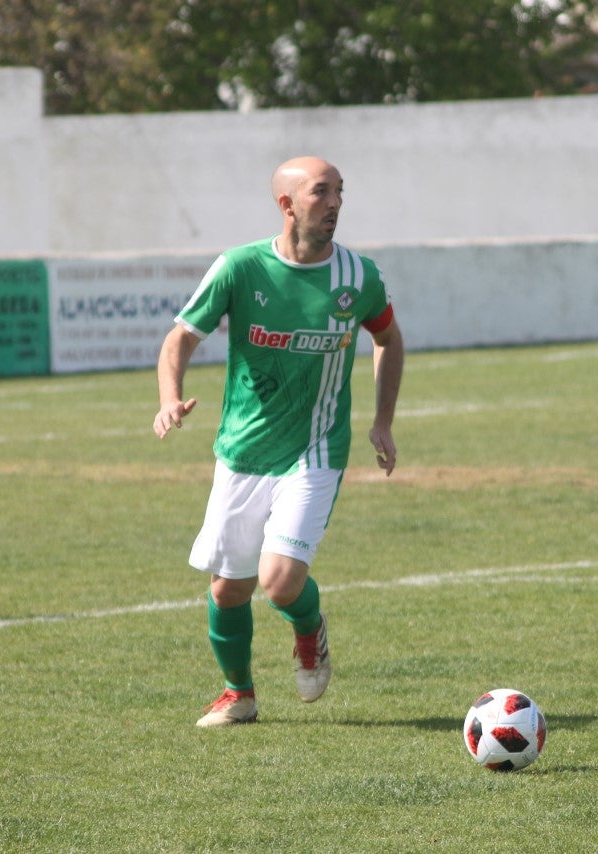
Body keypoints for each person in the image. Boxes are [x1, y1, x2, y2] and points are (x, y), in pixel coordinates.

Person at [153, 155, 405, 727]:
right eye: (321, 192)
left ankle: (309, 628)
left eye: (340, 191)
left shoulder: (357, 277)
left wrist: (382, 421)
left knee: (280, 581)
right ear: (287, 204)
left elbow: (388, 339)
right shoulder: (239, 268)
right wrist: (170, 398)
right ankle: (238, 694)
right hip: (244, 451)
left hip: (316, 450)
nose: (335, 203)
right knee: (228, 590)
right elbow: (180, 338)